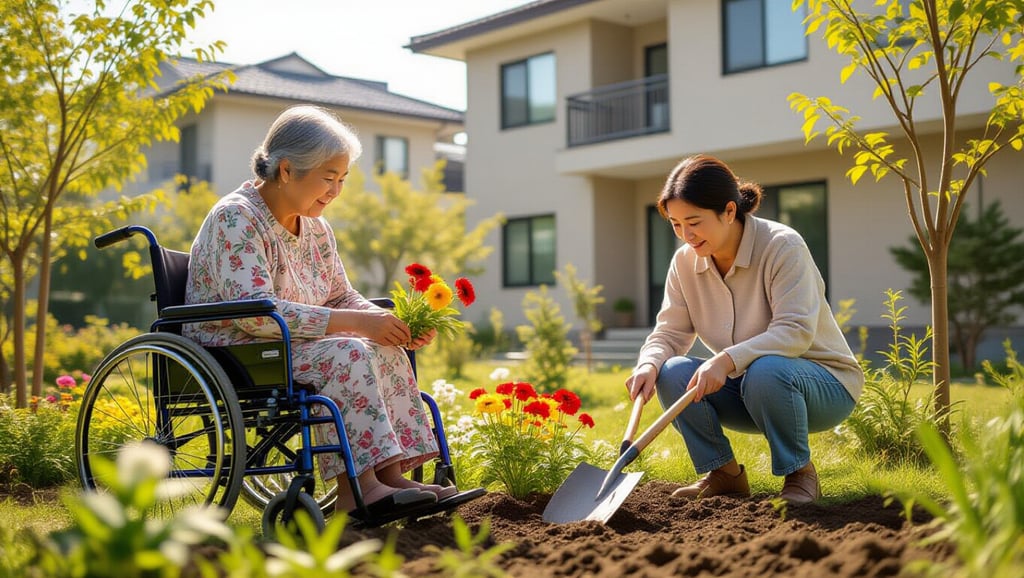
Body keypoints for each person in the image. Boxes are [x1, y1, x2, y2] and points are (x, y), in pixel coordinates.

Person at [184, 104, 455, 518]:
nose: (336, 191)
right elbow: (255, 315)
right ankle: (356, 491)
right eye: (328, 178)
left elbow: (340, 297)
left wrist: (386, 324)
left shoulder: (317, 228)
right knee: (349, 352)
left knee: (383, 346)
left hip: (293, 344)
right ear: (287, 170)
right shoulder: (235, 218)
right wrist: (357, 324)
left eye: (342, 179)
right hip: (237, 349)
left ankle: (392, 477)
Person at [625, 154, 863, 505]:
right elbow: (669, 333)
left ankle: (800, 473)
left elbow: (795, 331)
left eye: (694, 222)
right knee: (671, 371)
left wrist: (725, 360)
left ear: (729, 211)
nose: (686, 235)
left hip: (822, 386)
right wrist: (648, 363)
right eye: (675, 224)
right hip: (747, 388)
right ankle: (724, 474)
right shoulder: (684, 262)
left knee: (768, 369)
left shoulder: (783, 246)